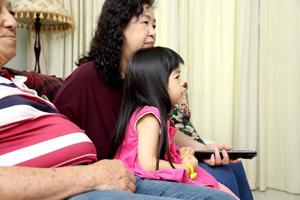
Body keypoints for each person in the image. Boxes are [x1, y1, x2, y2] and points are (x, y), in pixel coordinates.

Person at [0, 1, 235, 200]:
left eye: (154, 25)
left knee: (227, 171)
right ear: (119, 28)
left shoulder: (139, 80)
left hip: (130, 170)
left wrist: (205, 147)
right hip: (109, 172)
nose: (152, 32)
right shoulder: (88, 77)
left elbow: (165, 128)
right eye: (144, 23)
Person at [113, 46, 239, 199]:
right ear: (157, 83)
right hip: (139, 179)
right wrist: (184, 166)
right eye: (177, 77)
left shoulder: (160, 117)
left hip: (157, 173)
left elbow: (176, 143)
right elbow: (147, 164)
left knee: (223, 189)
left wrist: (198, 151)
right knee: (221, 193)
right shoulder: (149, 117)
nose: (183, 83)